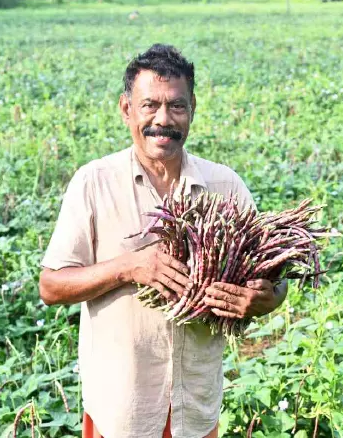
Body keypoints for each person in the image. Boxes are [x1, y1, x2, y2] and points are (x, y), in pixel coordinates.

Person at [39, 44, 288, 438]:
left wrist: (266, 298)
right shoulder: (94, 183)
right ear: (126, 109)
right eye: (149, 105)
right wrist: (130, 267)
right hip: (122, 409)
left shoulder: (225, 186)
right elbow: (52, 286)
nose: (163, 119)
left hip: (195, 407)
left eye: (176, 106)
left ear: (193, 108)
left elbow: (275, 280)